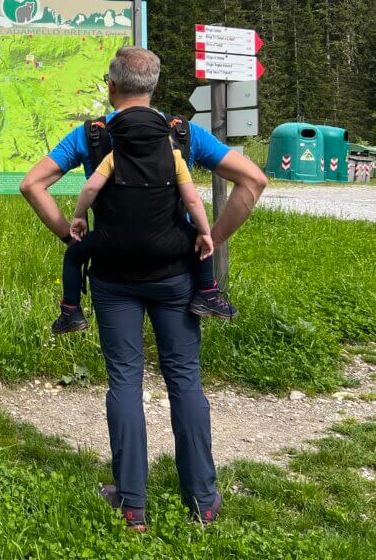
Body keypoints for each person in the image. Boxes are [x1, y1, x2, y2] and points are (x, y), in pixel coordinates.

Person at [19, 46, 266, 531]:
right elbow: (252, 181)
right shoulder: (181, 134)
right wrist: (210, 239)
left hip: (112, 281)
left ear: (110, 86)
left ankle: (132, 502)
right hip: (176, 277)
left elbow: (32, 185)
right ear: (153, 87)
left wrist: (70, 234)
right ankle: (204, 500)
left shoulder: (92, 137)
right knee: (184, 380)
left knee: (126, 383)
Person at [51, 111, 229, 336]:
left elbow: (90, 188)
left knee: (74, 255)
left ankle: (70, 311)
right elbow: (192, 200)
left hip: (113, 244)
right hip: (168, 244)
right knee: (202, 243)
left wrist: (78, 216)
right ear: (166, 136)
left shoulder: (113, 157)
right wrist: (204, 233)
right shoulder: (175, 158)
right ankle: (207, 294)